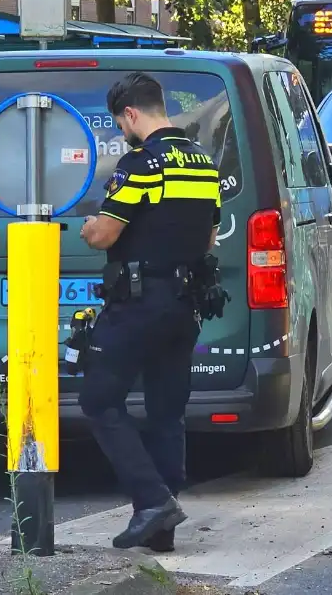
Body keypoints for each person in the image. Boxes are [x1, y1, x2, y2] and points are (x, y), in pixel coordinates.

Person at [79, 71, 220, 552]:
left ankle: (152, 500)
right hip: (185, 305)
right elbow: (208, 238)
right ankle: (163, 531)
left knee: (99, 399)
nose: (123, 130)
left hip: (139, 302)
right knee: (166, 412)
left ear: (131, 115)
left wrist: (90, 227)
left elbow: (106, 233)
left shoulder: (141, 163)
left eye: (121, 122)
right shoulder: (203, 163)